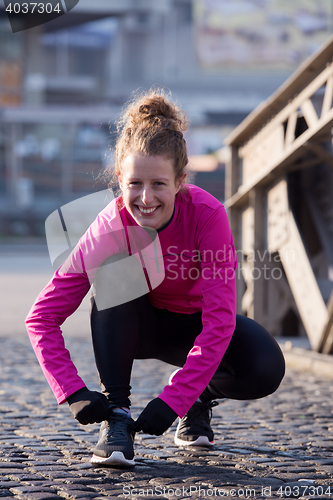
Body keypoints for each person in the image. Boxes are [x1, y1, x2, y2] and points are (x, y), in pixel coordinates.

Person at [25, 89, 285, 468]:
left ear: (180, 180)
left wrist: (175, 398)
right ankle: (117, 417)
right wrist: (73, 391)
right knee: (113, 277)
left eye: (159, 184)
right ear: (119, 179)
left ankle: (199, 398)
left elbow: (219, 321)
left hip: (194, 328)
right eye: (135, 184)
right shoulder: (108, 227)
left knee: (265, 369)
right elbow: (41, 317)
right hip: (137, 327)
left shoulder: (208, 216)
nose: (146, 198)